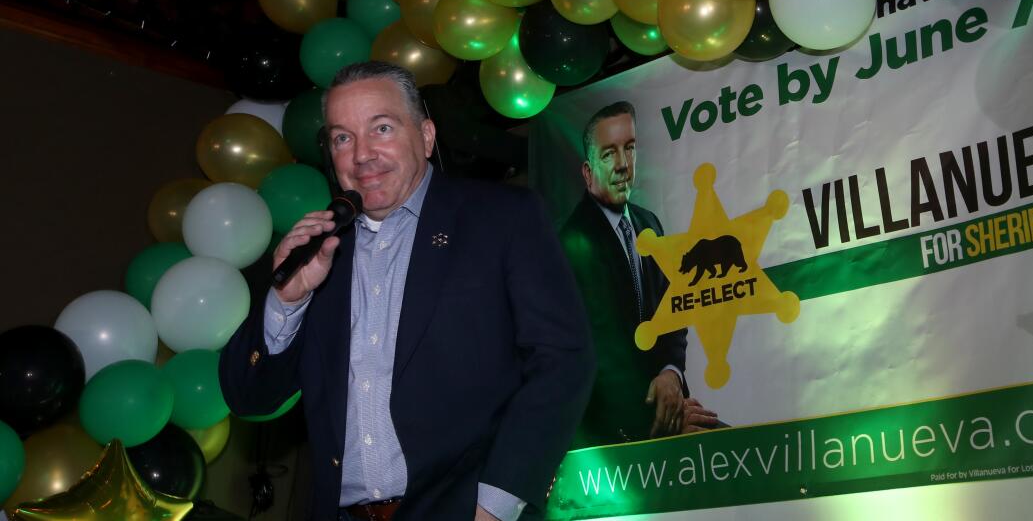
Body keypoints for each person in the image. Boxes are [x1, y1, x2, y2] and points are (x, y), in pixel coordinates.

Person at [219, 62, 594, 521]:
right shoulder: (317, 250)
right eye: (342, 137)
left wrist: (496, 504)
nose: (361, 154)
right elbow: (247, 397)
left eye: (381, 128)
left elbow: (563, 360)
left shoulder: (502, 219)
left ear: (427, 136)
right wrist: (288, 301)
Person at [558, 102, 719, 448]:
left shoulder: (649, 223)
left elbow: (672, 310)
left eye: (629, 149)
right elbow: (597, 358)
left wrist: (671, 374)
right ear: (588, 173)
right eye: (608, 154)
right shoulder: (571, 245)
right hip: (617, 436)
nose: (622, 165)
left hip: (670, 413)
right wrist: (656, 420)